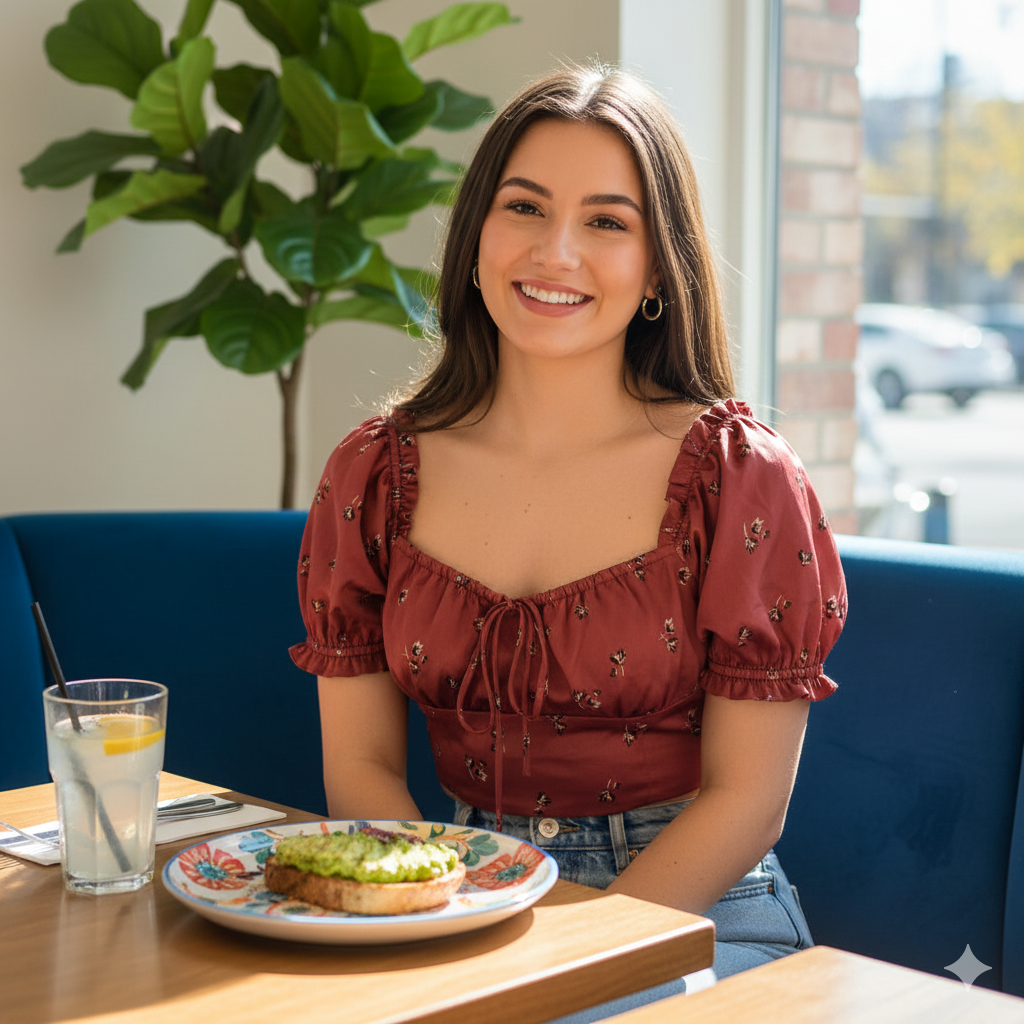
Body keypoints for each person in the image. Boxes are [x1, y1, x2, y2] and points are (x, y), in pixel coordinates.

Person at [289, 65, 847, 994]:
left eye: (606, 221)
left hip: (695, 911)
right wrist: (455, 911)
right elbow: (362, 765)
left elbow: (749, 802)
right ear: (476, 234)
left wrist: (564, 965)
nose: (556, 252)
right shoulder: (374, 471)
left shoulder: (739, 474)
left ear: (659, 264)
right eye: (524, 207)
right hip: (462, 892)